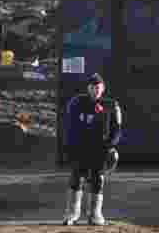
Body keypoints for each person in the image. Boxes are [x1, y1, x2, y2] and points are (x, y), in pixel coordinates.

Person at [61, 73, 123, 226]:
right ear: (87, 88)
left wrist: (110, 146)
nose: (95, 90)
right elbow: (70, 126)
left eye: (98, 87)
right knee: (77, 177)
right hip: (81, 146)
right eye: (92, 87)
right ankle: (72, 214)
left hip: (100, 148)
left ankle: (95, 214)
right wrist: (70, 145)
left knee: (98, 179)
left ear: (103, 88)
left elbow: (117, 129)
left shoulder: (111, 104)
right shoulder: (77, 102)